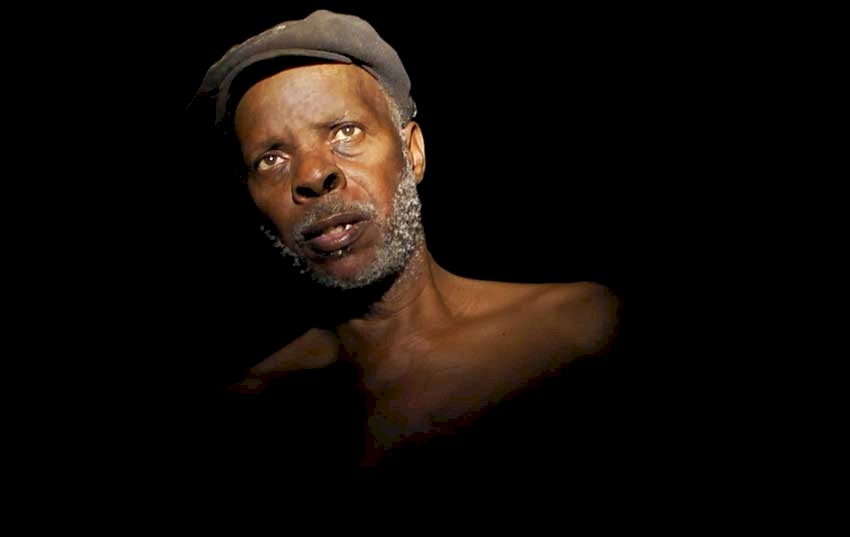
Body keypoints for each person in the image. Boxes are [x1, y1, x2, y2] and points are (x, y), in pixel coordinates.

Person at [191, 9, 623, 471]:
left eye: (345, 132)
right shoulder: (246, 418)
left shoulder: (579, 333)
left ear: (412, 153)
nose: (313, 174)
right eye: (271, 159)